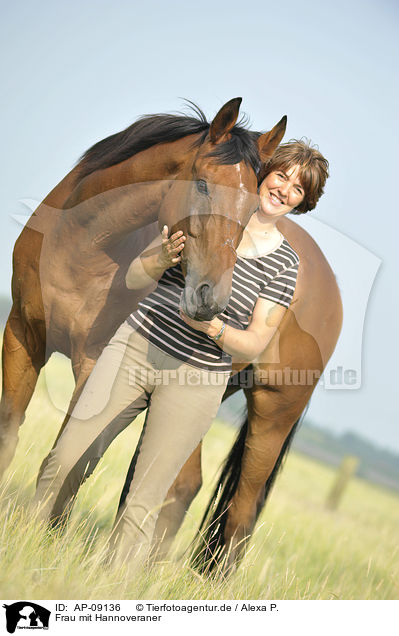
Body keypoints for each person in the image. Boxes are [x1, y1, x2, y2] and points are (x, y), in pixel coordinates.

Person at [33, 139, 329, 571]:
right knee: (64, 460)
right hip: (138, 346)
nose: (284, 189)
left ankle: (106, 597)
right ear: (263, 174)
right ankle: (26, 545)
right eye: (281, 176)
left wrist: (211, 326)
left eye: (298, 189)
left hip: (199, 377)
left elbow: (254, 344)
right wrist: (156, 262)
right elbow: (134, 277)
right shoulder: (205, 207)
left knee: (143, 502)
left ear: (303, 202)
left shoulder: (285, 264)